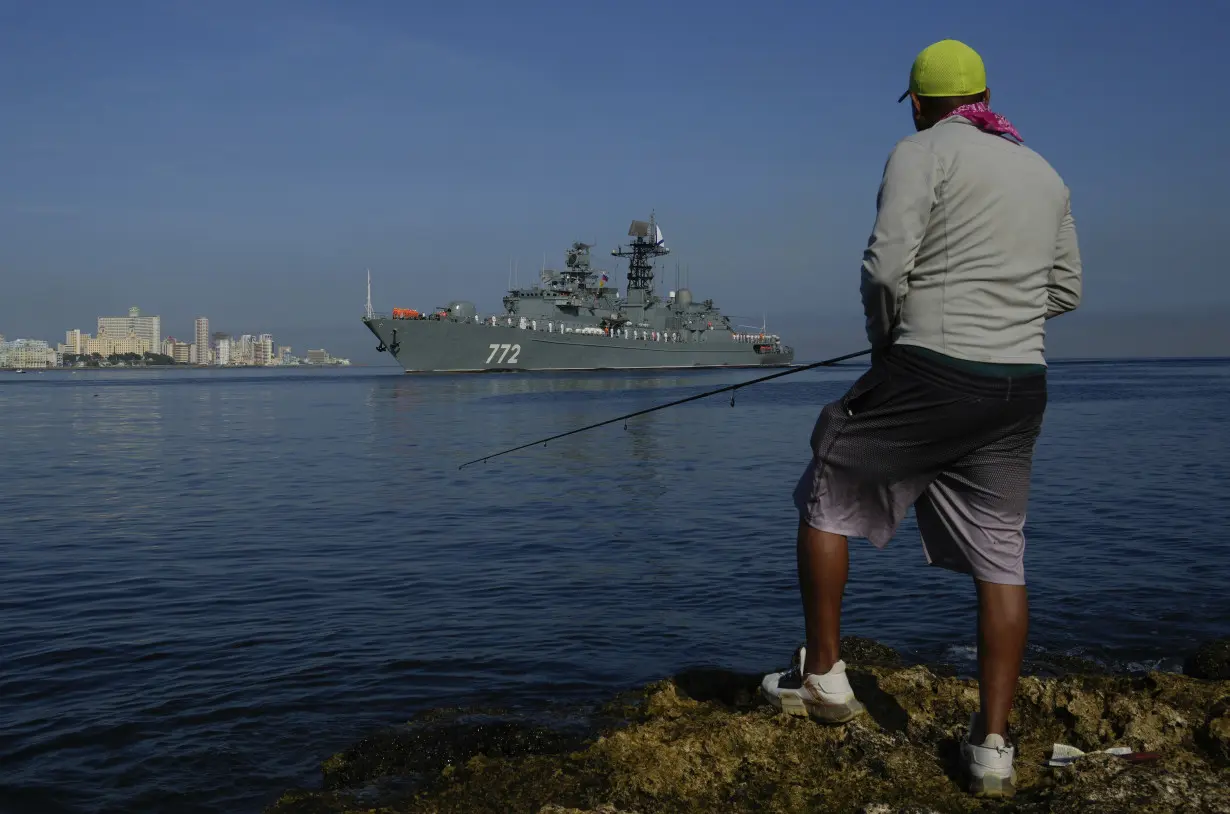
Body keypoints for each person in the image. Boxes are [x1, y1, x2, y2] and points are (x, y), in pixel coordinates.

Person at [760, 39, 1081, 799]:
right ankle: (992, 746)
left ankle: (825, 676)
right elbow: (1066, 290)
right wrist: (997, 311)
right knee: (1003, 555)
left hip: (928, 365)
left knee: (826, 486)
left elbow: (883, 268)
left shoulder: (919, 152)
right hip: (1019, 383)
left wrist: (889, 346)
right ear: (983, 96)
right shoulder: (1044, 170)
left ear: (919, 102)